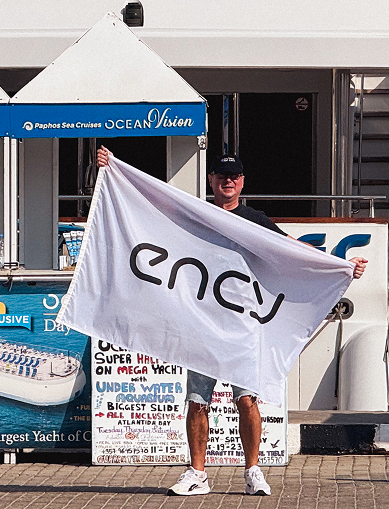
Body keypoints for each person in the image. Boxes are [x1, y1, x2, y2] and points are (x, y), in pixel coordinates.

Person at [96, 148, 367, 497]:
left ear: (242, 182)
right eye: (221, 176)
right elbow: (147, 206)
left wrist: (343, 266)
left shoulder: (254, 219)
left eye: (234, 176)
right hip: (202, 322)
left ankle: (253, 470)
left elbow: (293, 249)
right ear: (211, 180)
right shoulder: (196, 214)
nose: (228, 181)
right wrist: (114, 170)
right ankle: (197, 473)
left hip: (242, 323)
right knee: (197, 400)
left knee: (247, 400)